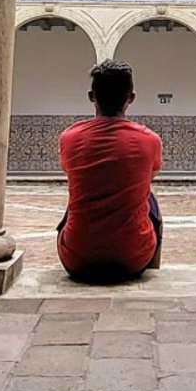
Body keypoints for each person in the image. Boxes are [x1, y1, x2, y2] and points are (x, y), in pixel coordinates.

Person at [56, 59, 163, 282]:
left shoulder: (69, 138)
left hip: (77, 259)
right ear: (131, 98)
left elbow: (68, 171)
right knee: (149, 198)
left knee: (80, 192)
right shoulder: (150, 140)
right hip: (133, 259)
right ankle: (153, 268)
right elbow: (149, 178)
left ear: (91, 96)